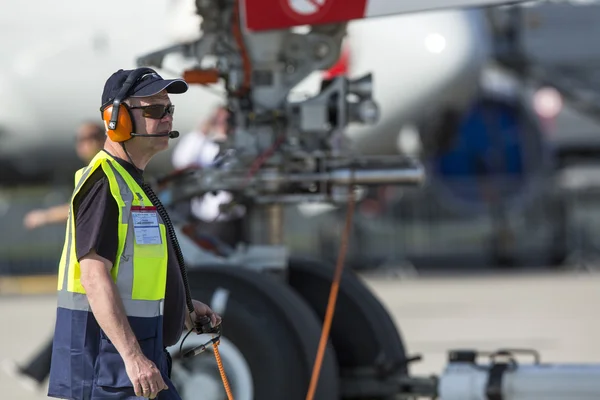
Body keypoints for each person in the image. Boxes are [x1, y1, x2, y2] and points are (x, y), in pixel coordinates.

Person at [47, 67, 221, 400]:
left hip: (136, 360)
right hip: (109, 366)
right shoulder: (104, 184)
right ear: (117, 119)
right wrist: (132, 357)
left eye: (169, 109)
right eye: (155, 110)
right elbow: (95, 276)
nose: (167, 118)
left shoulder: (132, 184)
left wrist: (181, 307)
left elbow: (134, 272)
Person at [1, 122, 106, 392]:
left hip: (97, 268)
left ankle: (42, 373)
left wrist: (44, 216)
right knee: (73, 325)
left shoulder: (103, 169)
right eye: (79, 138)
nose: (82, 144)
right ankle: (37, 371)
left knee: (79, 327)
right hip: (87, 269)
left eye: (88, 138)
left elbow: (76, 207)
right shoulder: (92, 170)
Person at [171, 105, 246, 249]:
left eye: (227, 120)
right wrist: (202, 131)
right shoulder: (205, 145)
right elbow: (181, 161)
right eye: (219, 120)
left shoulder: (240, 145)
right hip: (207, 218)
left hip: (235, 218)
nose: (223, 123)